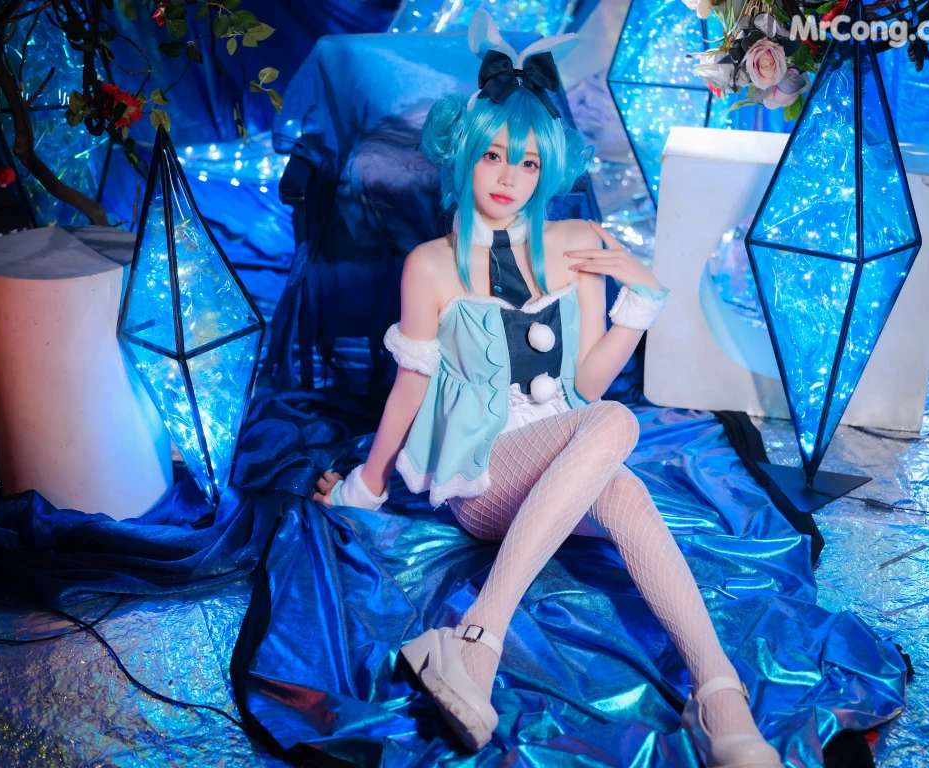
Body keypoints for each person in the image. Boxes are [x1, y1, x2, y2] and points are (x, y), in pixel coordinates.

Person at [312, 10, 782, 766]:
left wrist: (640, 304)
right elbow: (409, 388)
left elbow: (586, 384)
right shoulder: (429, 265)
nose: (509, 178)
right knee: (616, 427)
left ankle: (717, 694)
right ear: (464, 157)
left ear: (547, 170)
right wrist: (364, 486)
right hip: (485, 477)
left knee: (622, 482)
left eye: (527, 163)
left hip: (568, 459)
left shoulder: (577, 245)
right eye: (494, 156)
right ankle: (481, 636)